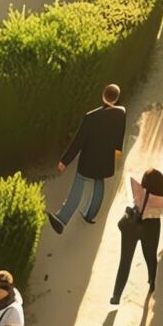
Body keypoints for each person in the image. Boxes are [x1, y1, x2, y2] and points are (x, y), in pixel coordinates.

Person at [46, 84, 127, 233]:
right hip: (106, 160)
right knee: (99, 183)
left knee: (77, 189)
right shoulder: (121, 113)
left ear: (103, 95)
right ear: (116, 98)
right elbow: (119, 138)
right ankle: (90, 215)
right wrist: (118, 156)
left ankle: (62, 220)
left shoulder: (91, 117)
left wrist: (65, 161)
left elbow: (78, 141)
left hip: (89, 160)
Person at [110, 168, 163, 305]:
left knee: (125, 261)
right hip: (151, 228)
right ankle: (152, 281)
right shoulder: (160, 202)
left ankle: (116, 295)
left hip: (132, 227)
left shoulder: (138, 194)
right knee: (150, 257)